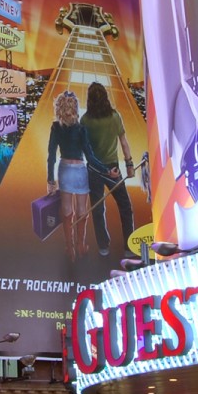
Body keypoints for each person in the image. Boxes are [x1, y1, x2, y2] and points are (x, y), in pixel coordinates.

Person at [45, 90, 107, 263]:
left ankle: (69, 247)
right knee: (82, 211)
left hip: (64, 170)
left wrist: (50, 180)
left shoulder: (55, 127)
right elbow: (91, 157)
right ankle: (81, 244)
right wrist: (106, 170)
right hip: (79, 170)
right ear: (75, 107)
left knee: (66, 211)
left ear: (60, 107)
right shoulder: (81, 129)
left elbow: (51, 155)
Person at [81, 82, 137, 259]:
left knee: (98, 210)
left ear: (89, 100)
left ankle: (103, 246)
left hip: (94, 171)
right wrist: (129, 165)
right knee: (125, 207)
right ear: (106, 97)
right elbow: (124, 142)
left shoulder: (85, 121)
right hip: (113, 169)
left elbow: (87, 153)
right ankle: (129, 246)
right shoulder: (115, 117)